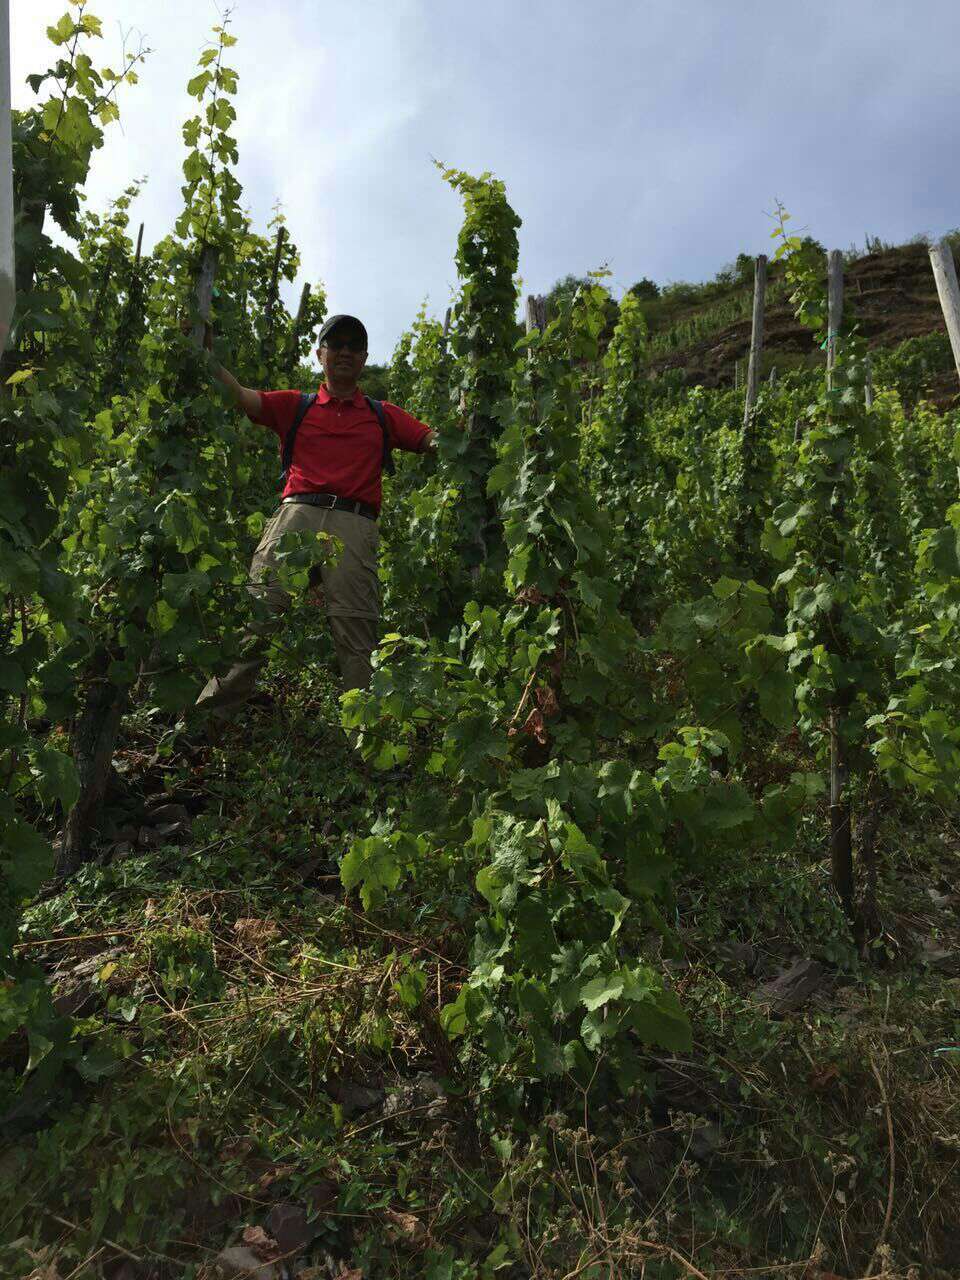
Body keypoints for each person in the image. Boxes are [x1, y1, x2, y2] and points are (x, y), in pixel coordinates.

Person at [194, 313, 435, 725]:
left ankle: (369, 742)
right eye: (335, 343)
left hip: (355, 523)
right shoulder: (297, 406)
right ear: (319, 352)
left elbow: (430, 440)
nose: (344, 352)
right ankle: (203, 726)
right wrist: (206, 355)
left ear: (363, 358)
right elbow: (241, 396)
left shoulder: (382, 414)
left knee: (357, 633)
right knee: (258, 617)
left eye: (353, 346)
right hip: (298, 515)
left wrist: (462, 430)